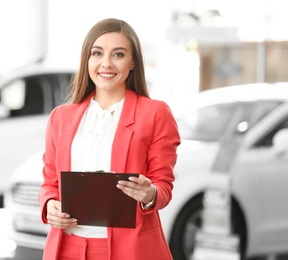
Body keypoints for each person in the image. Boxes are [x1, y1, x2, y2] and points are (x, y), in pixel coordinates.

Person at [38, 18, 181, 260]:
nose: (106, 63)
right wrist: (50, 205)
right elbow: (50, 183)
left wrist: (149, 194)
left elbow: (163, 186)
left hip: (128, 250)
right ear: (87, 59)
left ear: (133, 61)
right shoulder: (60, 117)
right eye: (97, 53)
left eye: (118, 55)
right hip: (66, 249)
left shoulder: (155, 113)